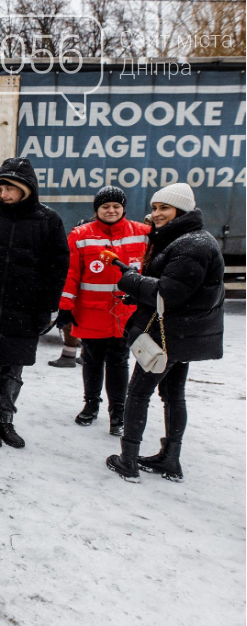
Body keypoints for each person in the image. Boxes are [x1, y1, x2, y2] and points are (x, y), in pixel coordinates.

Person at [105, 183, 224, 483]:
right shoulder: (188, 239)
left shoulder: (191, 244)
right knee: (173, 395)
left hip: (170, 334)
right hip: (183, 332)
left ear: (181, 210)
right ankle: (170, 458)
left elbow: (168, 292)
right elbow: (177, 288)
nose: (156, 214)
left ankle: (128, 460)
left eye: (164, 208)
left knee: (138, 394)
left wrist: (131, 281)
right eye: (155, 207)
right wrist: (141, 293)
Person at [0, 157, 69, 449]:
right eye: (0, 188)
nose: (4, 194)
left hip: (23, 311)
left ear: (26, 188)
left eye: (10, 188)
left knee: (13, 370)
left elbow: (57, 269)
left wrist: (47, 307)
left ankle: (6, 418)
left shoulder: (48, 221)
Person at [57, 186, 149, 436]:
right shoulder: (80, 235)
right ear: (97, 209)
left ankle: (118, 412)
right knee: (92, 360)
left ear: (123, 209)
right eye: (105, 206)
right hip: (91, 311)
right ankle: (90, 404)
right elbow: (71, 273)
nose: (111, 210)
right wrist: (65, 306)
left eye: (116, 206)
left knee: (119, 362)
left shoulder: (142, 233)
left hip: (125, 313)